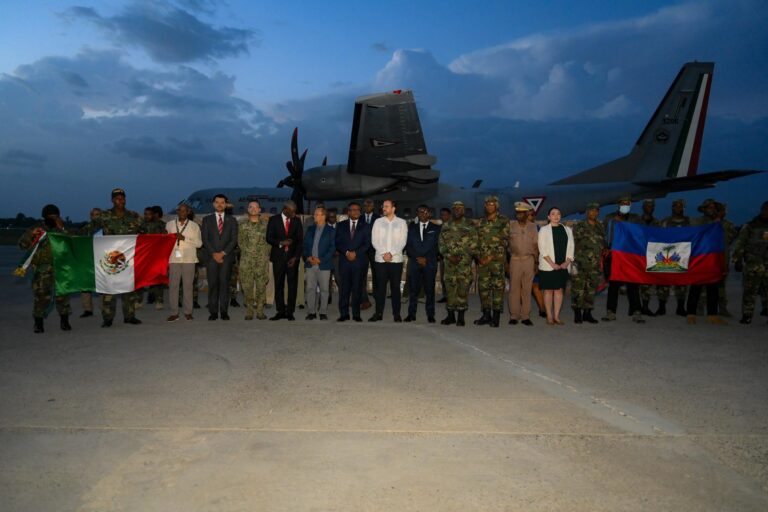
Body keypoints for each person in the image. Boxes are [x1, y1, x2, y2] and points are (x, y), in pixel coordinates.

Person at [89, 188, 143, 327]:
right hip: (110, 259)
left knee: (129, 288)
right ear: (112, 200)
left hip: (128, 259)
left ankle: (129, 316)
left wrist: (164, 235)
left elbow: (146, 231)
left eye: (123, 197)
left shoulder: (134, 216)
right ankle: (108, 318)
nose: (121, 200)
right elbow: (88, 228)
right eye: (118, 198)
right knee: (109, 289)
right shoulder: (104, 216)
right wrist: (65, 233)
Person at [18, 204, 72, 333]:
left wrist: (62, 228)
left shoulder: (61, 229)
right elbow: (22, 245)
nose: (53, 218)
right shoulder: (37, 229)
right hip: (42, 269)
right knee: (41, 296)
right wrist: (31, 235)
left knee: (62, 295)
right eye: (51, 216)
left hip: (60, 268)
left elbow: (73, 243)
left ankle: (64, 321)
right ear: (44, 217)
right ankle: (38, 323)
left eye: (56, 216)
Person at [602, 196, 645, 323]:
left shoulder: (636, 218)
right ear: (618, 204)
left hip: (630, 256)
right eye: (623, 203)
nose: (625, 205)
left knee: (633, 285)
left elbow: (641, 234)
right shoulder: (610, 218)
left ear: (630, 205)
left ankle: (636, 311)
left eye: (627, 203)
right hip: (614, 256)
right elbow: (604, 235)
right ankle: (610, 312)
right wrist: (606, 248)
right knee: (613, 285)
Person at [685, 199, 727, 325]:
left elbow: (726, 241)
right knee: (695, 287)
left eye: (714, 207)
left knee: (713, 288)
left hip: (713, 260)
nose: (711, 209)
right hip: (699, 259)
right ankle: (690, 314)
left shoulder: (722, 224)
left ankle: (712, 315)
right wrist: (714, 223)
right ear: (703, 209)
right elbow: (694, 233)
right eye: (709, 207)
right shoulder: (697, 221)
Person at [438, 201, 478, 326]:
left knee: (462, 289)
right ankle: (450, 316)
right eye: (455, 209)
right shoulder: (446, 225)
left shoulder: (470, 225)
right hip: (449, 264)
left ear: (463, 210)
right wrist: (449, 256)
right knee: (450, 290)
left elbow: (474, 243)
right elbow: (441, 244)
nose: (457, 210)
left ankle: (461, 317)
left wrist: (462, 256)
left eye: (460, 209)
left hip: (463, 264)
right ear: (453, 210)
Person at [369, 199, 408, 322]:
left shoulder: (401, 223)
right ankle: (378, 313)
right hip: (380, 260)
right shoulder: (378, 222)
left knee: (395, 288)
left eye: (386, 206)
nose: (383, 208)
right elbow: (374, 240)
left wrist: (391, 254)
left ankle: (396, 314)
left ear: (393, 208)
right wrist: (383, 253)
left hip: (396, 260)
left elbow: (403, 242)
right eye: (383, 206)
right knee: (380, 288)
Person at [473, 196, 510, 328]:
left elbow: (505, 241)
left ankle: (496, 317)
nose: (489, 206)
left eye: (492, 204)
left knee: (497, 288)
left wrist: (491, 256)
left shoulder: (503, 220)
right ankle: (486, 315)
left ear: (497, 206)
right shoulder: (481, 222)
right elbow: (476, 241)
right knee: (483, 288)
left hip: (496, 261)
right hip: (482, 262)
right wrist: (478, 257)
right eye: (487, 204)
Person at [201, 194, 239, 321]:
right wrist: (214, 254)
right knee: (213, 285)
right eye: (217, 202)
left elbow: (234, 240)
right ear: (213, 204)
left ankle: (224, 311)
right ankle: (213, 312)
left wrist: (222, 253)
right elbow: (205, 239)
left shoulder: (232, 220)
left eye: (222, 202)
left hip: (226, 258)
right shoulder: (207, 220)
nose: (219, 204)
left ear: (226, 204)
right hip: (211, 257)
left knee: (224, 284)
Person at [265, 200, 303, 321]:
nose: (294, 214)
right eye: (292, 211)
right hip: (278, 258)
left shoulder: (297, 221)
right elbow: (269, 238)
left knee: (292, 286)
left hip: (292, 259)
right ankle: (280, 311)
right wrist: (281, 243)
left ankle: (290, 312)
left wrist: (295, 257)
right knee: (279, 285)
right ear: (285, 209)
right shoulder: (274, 220)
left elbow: (300, 241)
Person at [732, 200, 768, 325]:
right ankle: (747, 315)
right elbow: (740, 243)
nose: (766, 212)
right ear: (761, 210)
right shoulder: (750, 226)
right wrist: (737, 260)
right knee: (750, 291)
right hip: (753, 263)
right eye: (765, 209)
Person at [335, 201, 371, 321]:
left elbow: (367, 244)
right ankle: (344, 314)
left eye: (358, 210)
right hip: (344, 261)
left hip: (359, 261)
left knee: (357, 289)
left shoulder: (365, 226)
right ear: (348, 212)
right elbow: (338, 242)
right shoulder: (340, 225)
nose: (356, 212)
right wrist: (346, 253)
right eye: (353, 210)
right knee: (344, 289)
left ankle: (356, 314)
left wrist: (355, 253)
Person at [537, 207, 574, 325]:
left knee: (559, 291)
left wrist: (567, 262)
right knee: (548, 291)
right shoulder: (543, 230)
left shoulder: (567, 230)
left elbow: (571, 247)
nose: (556, 216)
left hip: (563, 266)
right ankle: (549, 316)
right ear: (548, 217)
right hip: (548, 266)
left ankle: (556, 316)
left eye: (558, 214)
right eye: (553, 214)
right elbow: (542, 249)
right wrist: (552, 264)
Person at [404, 205, 441, 323]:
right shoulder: (412, 227)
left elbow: (438, 247)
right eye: (419, 212)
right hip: (415, 262)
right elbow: (408, 245)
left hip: (429, 263)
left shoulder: (436, 228)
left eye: (425, 212)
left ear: (429, 214)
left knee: (429, 290)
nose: (422, 214)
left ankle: (430, 314)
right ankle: (411, 314)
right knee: (413, 290)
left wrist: (426, 259)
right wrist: (417, 257)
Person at [166, 204, 202, 321]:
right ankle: (174, 313)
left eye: (184, 210)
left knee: (188, 286)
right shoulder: (169, 224)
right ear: (177, 211)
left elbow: (199, 244)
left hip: (189, 259)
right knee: (173, 286)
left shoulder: (194, 226)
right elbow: (164, 242)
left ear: (188, 212)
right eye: (180, 210)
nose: (182, 212)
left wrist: (184, 238)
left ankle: (188, 312)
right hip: (173, 259)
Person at [570, 202, 604, 324]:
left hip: (594, 265)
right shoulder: (579, 226)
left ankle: (587, 313)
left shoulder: (600, 227)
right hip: (580, 263)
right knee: (578, 289)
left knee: (591, 289)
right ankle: (578, 313)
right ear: (587, 212)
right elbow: (572, 245)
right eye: (591, 210)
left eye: (596, 211)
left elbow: (602, 245)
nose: (594, 213)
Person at [238, 200, 270, 320]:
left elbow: (269, 242)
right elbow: (240, 242)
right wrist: (249, 252)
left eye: (256, 207)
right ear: (248, 209)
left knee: (261, 286)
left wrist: (263, 253)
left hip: (261, 261)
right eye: (250, 206)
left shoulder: (266, 225)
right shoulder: (242, 225)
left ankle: (260, 310)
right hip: (246, 260)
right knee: (247, 286)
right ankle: (250, 310)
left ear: (260, 210)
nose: (253, 209)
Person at [508, 202, 539, 326]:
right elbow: (507, 245)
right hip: (515, 260)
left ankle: (525, 316)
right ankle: (514, 315)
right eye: (517, 212)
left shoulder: (533, 227)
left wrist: (536, 262)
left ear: (527, 213)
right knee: (514, 289)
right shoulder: (511, 226)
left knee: (527, 289)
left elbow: (536, 245)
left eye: (522, 212)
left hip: (529, 260)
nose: (519, 214)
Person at [658, 199, 690, 316]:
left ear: (683, 208)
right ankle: (661, 307)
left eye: (680, 206)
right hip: (668, 255)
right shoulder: (665, 222)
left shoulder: (689, 222)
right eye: (675, 206)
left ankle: (680, 308)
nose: (677, 208)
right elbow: (658, 237)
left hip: (682, 256)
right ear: (672, 208)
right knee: (663, 282)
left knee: (681, 283)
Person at [303, 206, 336, 320]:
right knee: (310, 289)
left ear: (323, 216)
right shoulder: (310, 229)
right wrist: (308, 257)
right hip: (310, 263)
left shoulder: (331, 230)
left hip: (324, 264)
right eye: (315, 214)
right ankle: (311, 312)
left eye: (317, 214)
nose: (314, 216)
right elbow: (305, 245)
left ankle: (323, 312)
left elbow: (332, 248)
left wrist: (321, 259)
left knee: (324, 289)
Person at [139, 205, 167, 310]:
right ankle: (139, 301)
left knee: (157, 279)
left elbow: (166, 238)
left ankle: (159, 301)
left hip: (156, 256)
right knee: (141, 279)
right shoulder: (141, 226)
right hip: (144, 256)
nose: (147, 216)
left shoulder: (161, 225)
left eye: (149, 214)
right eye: (145, 214)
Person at [638, 199, 660, 316]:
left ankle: (645, 306)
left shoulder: (657, 223)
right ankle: (635, 307)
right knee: (636, 281)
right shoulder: (637, 221)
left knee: (647, 282)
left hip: (652, 256)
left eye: (651, 206)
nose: (649, 208)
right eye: (647, 206)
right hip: (638, 255)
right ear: (643, 207)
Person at [716, 202, 739, 317]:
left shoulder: (729, 225)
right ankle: (700, 308)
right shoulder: (707, 224)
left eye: (722, 210)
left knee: (721, 286)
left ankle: (723, 308)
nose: (720, 212)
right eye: (718, 210)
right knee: (704, 284)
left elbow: (729, 240)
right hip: (708, 258)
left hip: (722, 259)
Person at [79, 207, 102, 318]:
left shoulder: (106, 228)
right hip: (87, 260)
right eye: (94, 214)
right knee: (85, 285)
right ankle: (87, 309)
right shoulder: (85, 229)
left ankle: (104, 308)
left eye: (98, 214)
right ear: (90, 216)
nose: (96, 217)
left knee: (103, 285)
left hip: (101, 260)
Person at [360, 198, 380, 310]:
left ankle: (377, 295)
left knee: (376, 273)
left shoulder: (378, 219)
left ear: (373, 207)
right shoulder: (360, 218)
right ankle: (363, 298)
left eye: (369, 205)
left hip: (374, 250)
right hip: (362, 250)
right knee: (361, 274)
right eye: (365, 205)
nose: (367, 207)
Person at [528, 208, 547, 318]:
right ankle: (521, 311)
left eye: (531, 215)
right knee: (522, 287)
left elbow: (542, 247)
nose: (530, 217)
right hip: (522, 261)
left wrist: (539, 263)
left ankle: (542, 309)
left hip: (535, 261)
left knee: (536, 286)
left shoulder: (538, 229)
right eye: (528, 215)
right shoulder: (517, 227)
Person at [437, 207, 451, 303]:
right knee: (443, 278)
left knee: (451, 278)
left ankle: (452, 296)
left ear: (449, 215)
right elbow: (438, 242)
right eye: (442, 214)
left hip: (452, 257)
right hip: (442, 256)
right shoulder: (440, 227)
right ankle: (445, 296)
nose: (443, 216)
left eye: (445, 214)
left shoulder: (453, 227)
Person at [326, 207, 339, 305]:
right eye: (330, 217)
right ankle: (328, 297)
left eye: (333, 217)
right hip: (327, 257)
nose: (332, 219)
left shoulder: (341, 227)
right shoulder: (323, 227)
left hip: (338, 257)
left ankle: (343, 297)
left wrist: (339, 251)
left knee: (339, 278)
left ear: (336, 217)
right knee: (327, 279)